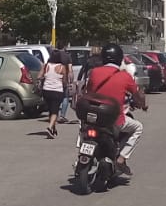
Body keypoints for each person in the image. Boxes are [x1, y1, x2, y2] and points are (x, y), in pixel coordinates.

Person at [80, 43, 147, 175]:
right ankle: (121, 159)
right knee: (138, 127)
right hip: (114, 121)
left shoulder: (94, 73)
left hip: (92, 118)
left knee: (83, 130)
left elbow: (88, 92)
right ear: (119, 58)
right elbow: (137, 96)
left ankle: (81, 155)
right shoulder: (125, 76)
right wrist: (143, 105)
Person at [39, 49, 69, 138]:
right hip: (57, 91)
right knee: (55, 111)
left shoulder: (46, 66)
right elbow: (64, 81)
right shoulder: (61, 67)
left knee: (51, 110)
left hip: (46, 91)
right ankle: (49, 127)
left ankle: (53, 127)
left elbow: (39, 76)